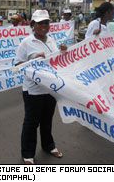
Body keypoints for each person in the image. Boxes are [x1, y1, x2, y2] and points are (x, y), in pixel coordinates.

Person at [15, 9, 67, 165]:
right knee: (31, 122)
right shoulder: (26, 43)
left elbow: (55, 61)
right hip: (33, 90)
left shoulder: (51, 40)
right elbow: (18, 65)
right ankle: (28, 154)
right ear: (33, 25)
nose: (44, 26)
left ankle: (48, 146)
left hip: (50, 88)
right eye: (40, 23)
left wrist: (63, 52)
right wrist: (34, 60)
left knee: (47, 120)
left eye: (46, 22)